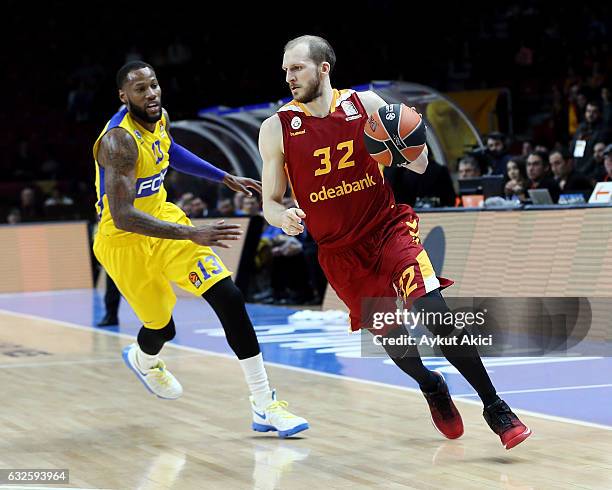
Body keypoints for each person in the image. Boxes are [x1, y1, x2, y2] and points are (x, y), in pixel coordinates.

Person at [259, 35, 531, 449]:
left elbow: (421, 165)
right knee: (394, 338)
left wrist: (404, 140)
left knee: (433, 309)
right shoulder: (276, 128)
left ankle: (495, 406)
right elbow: (270, 204)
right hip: (340, 253)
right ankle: (430, 385)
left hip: (387, 229)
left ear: (323, 68)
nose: (288, 76)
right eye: (285, 70)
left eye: (296, 68)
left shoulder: (366, 105)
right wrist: (285, 218)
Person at [93, 61, 307, 437]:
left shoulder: (160, 119)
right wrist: (190, 233)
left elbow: (170, 150)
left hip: (164, 219)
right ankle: (145, 359)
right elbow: (124, 216)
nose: (151, 93)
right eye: (140, 89)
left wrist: (223, 176)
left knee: (228, 295)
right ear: (123, 97)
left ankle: (263, 403)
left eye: (154, 85)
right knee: (162, 326)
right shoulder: (118, 143)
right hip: (123, 240)